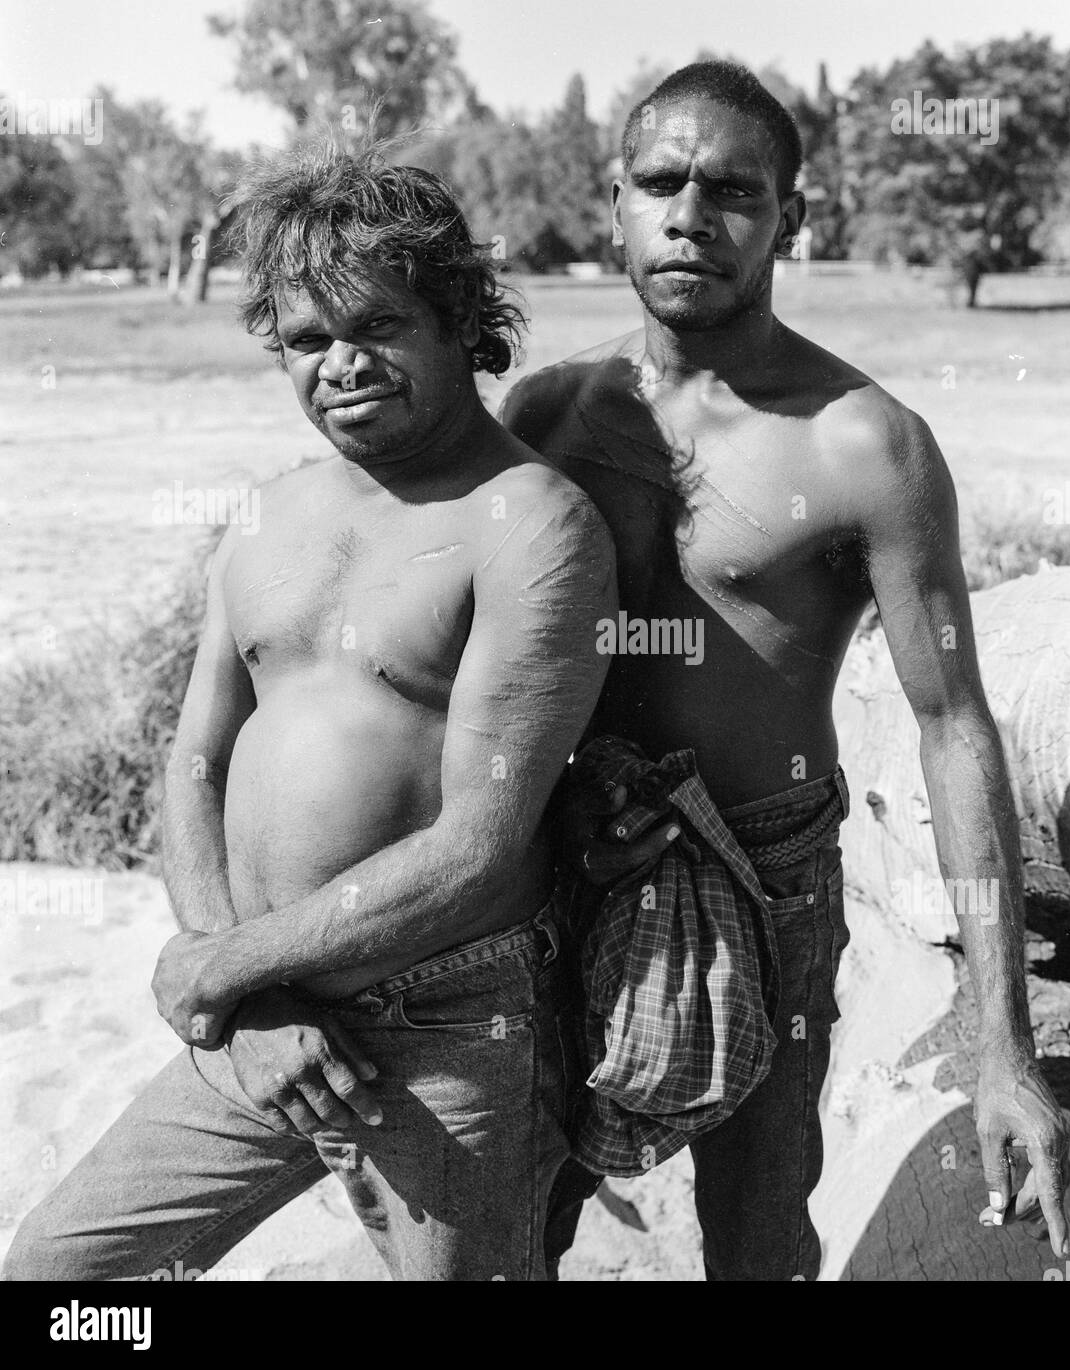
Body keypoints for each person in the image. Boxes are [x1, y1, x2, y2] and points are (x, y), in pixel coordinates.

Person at [3, 140, 615, 1283]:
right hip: (262, 1017)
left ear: (455, 319)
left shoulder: (530, 524)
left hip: (449, 1022)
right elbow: (191, 762)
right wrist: (244, 984)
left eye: (376, 325)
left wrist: (221, 969)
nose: (341, 363)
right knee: (55, 1270)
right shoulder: (264, 517)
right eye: (305, 339)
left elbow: (476, 846)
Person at [500, 60, 1070, 1281]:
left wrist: (1001, 1040)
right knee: (519, 1212)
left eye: (732, 191)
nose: (690, 214)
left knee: (760, 1232)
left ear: (790, 220)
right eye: (660, 182)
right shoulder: (544, 414)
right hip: (564, 853)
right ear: (613, 204)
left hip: (766, 871)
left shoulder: (861, 441)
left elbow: (954, 725)